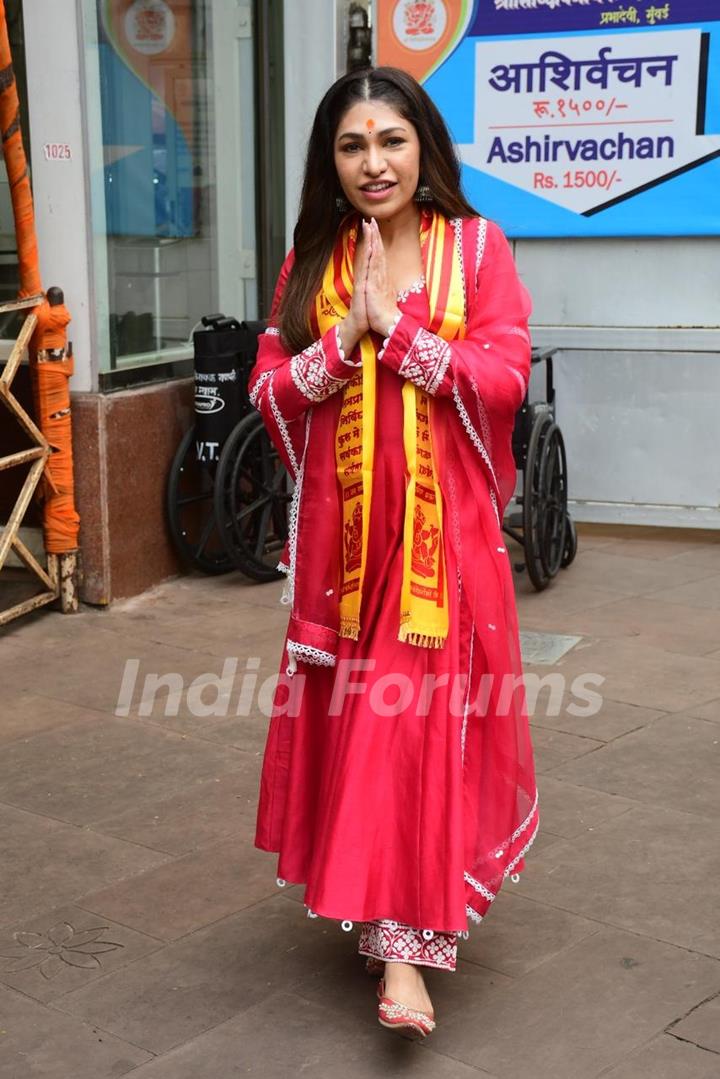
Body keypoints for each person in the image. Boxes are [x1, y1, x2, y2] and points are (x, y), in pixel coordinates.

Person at [249, 66, 538, 1040]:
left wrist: (403, 332)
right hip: (344, 558)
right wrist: (343, 338)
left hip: (440, 555)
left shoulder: (476, 247)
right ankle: (380, 903)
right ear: (330, 162)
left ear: (425, 148)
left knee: (409, 733)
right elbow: (269, 388)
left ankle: (409, 953)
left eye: (391, 140)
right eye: (351, 145)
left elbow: (503, 374)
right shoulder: (316, 257)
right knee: (364, 733)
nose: (374, 162)